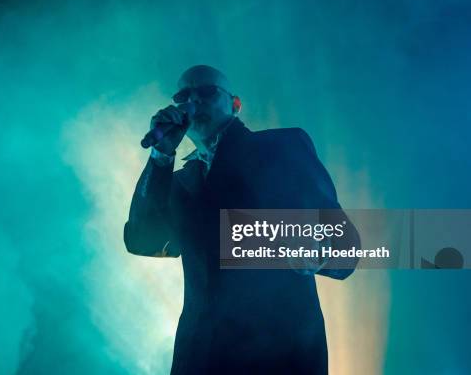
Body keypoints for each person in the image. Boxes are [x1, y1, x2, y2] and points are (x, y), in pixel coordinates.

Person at [124, 65, 360, 374]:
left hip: (280, 354)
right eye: (183, 97)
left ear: (235, 105)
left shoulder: (282, 147)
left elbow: (345, 246)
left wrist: (319, 251)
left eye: (207, 92)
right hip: (201, 358)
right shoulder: (180, 182)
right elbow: (144, 240)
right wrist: (161, 156)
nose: (194, 103)